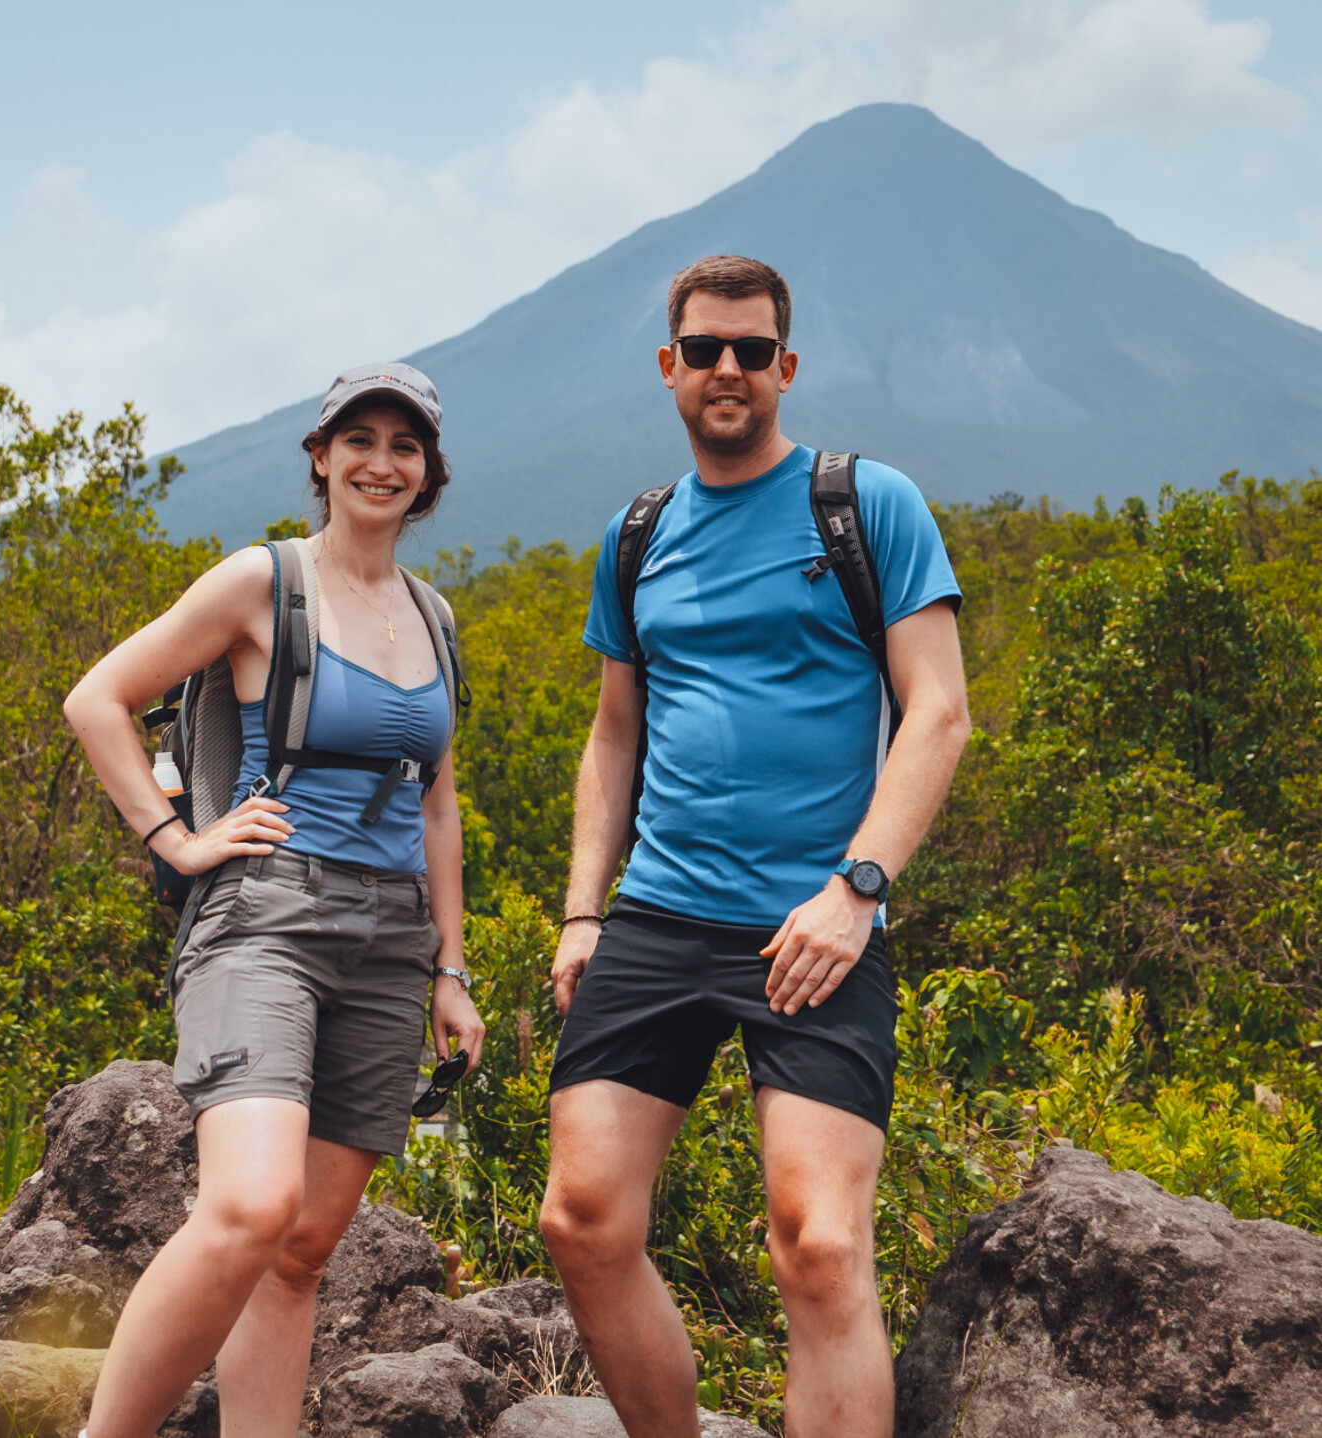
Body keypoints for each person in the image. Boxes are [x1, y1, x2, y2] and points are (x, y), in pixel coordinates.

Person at [540, 256, 970, 1438]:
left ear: (786, 365)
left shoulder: (864, 503)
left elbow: (937, 713)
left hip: (816, 922)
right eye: (703, 349)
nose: (726, 369)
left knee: (820, 1245)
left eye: (750, 349)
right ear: (669, 367)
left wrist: (857, 890)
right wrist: (585, 910)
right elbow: (613, 734)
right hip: (661, 915)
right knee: (581, 1218)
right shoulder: (636, 535)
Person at [63, 362, 485, 1438]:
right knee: (249, 1208)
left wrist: (451, 970)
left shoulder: (432, 616)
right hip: (266, 921)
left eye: (404, 444)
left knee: (300, 1251)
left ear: (428, 473)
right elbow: (97, 698)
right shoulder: (263, 582)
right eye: (360, 439)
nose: (380, 461)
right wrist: (177, 838)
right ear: (320, 456)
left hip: (393, 943)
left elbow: (436, 807)